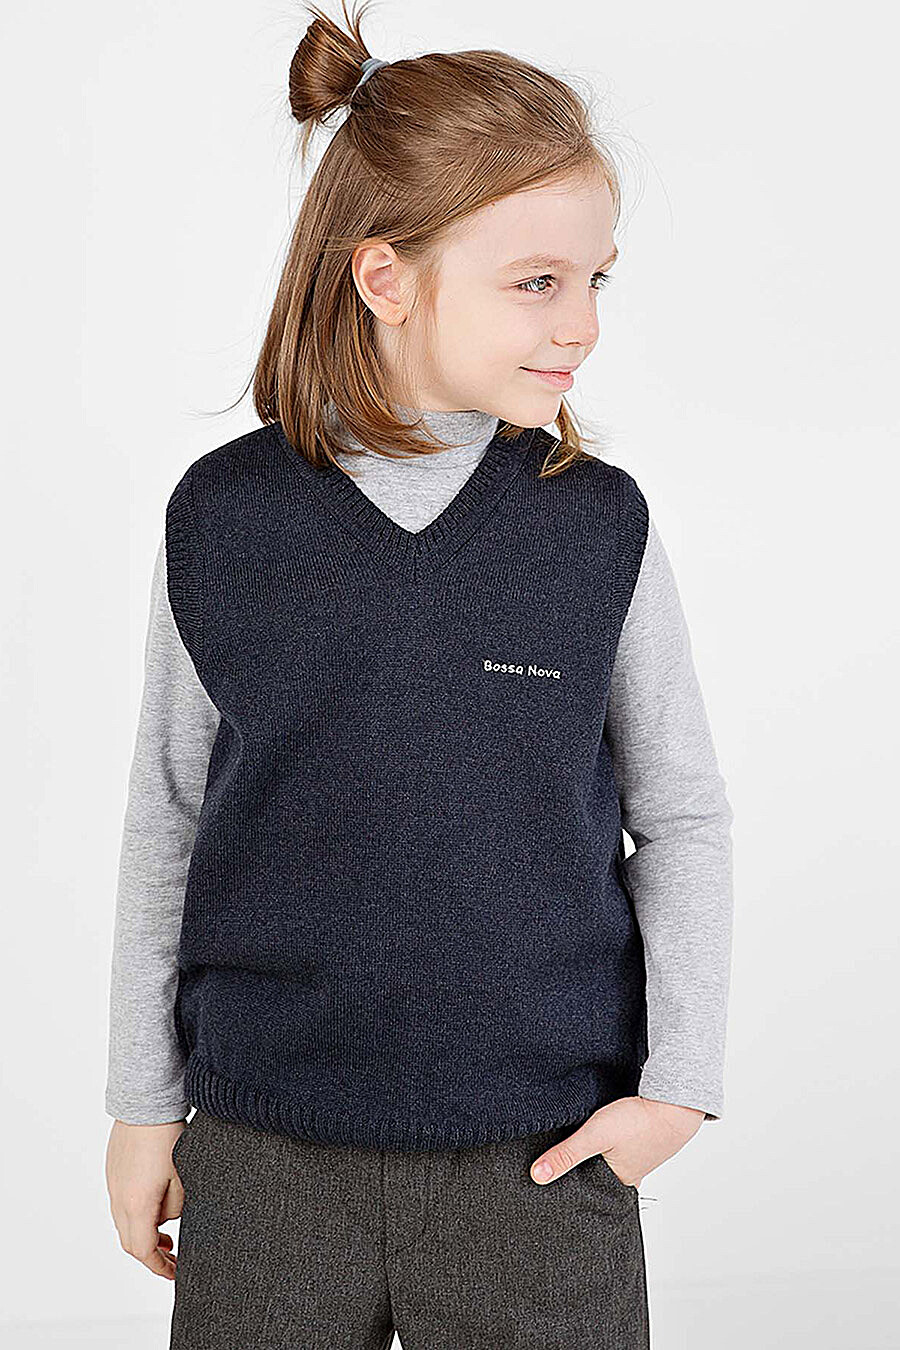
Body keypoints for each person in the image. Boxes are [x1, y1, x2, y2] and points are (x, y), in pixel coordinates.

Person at [104, 3, 734, 1346]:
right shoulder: (224, 519)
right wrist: (143, 1105)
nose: (583, 324)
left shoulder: (596, 526)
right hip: (263, 1160)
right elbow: (169, 814)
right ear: (386, 279)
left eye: (597, 279)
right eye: (537, 282)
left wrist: (677, 1086)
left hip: (542, 1160)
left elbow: (681, 813)